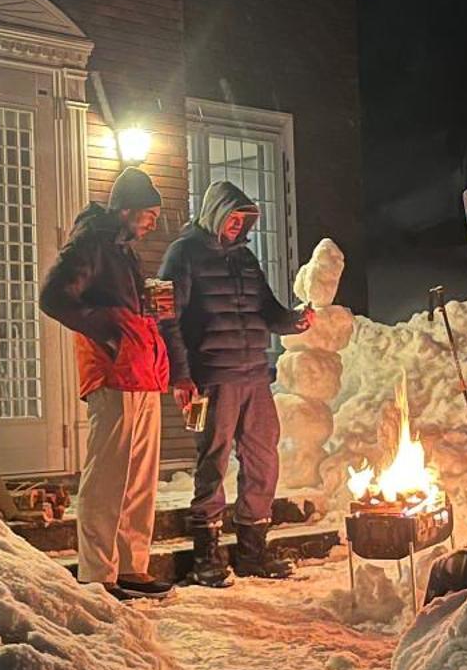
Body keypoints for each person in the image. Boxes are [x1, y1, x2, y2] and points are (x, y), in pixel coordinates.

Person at [160, 179, 314, 586]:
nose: (238, 226)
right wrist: (181, 374)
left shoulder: (245, 259)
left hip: (254, 375)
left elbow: (266, 309)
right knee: (213, 459)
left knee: (263, 458)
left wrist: (294, 321)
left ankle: (252, 551)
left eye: (244, 220)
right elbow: (168, 318)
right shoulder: (184, 254)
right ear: (215, 214)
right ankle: (206, 556)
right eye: (232, 218)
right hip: (213, 377)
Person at [40, 167, 174, 601]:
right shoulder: (92, 242)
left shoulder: (122, 250)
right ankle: (98, 573)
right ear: (127, 209)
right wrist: (110, 332)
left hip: (140, 370)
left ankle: (132, 566)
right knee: (109, 474)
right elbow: (54, 296)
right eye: (149, 214)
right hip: (113, 370)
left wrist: (146, 309)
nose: (153, 223)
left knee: (138, 476)